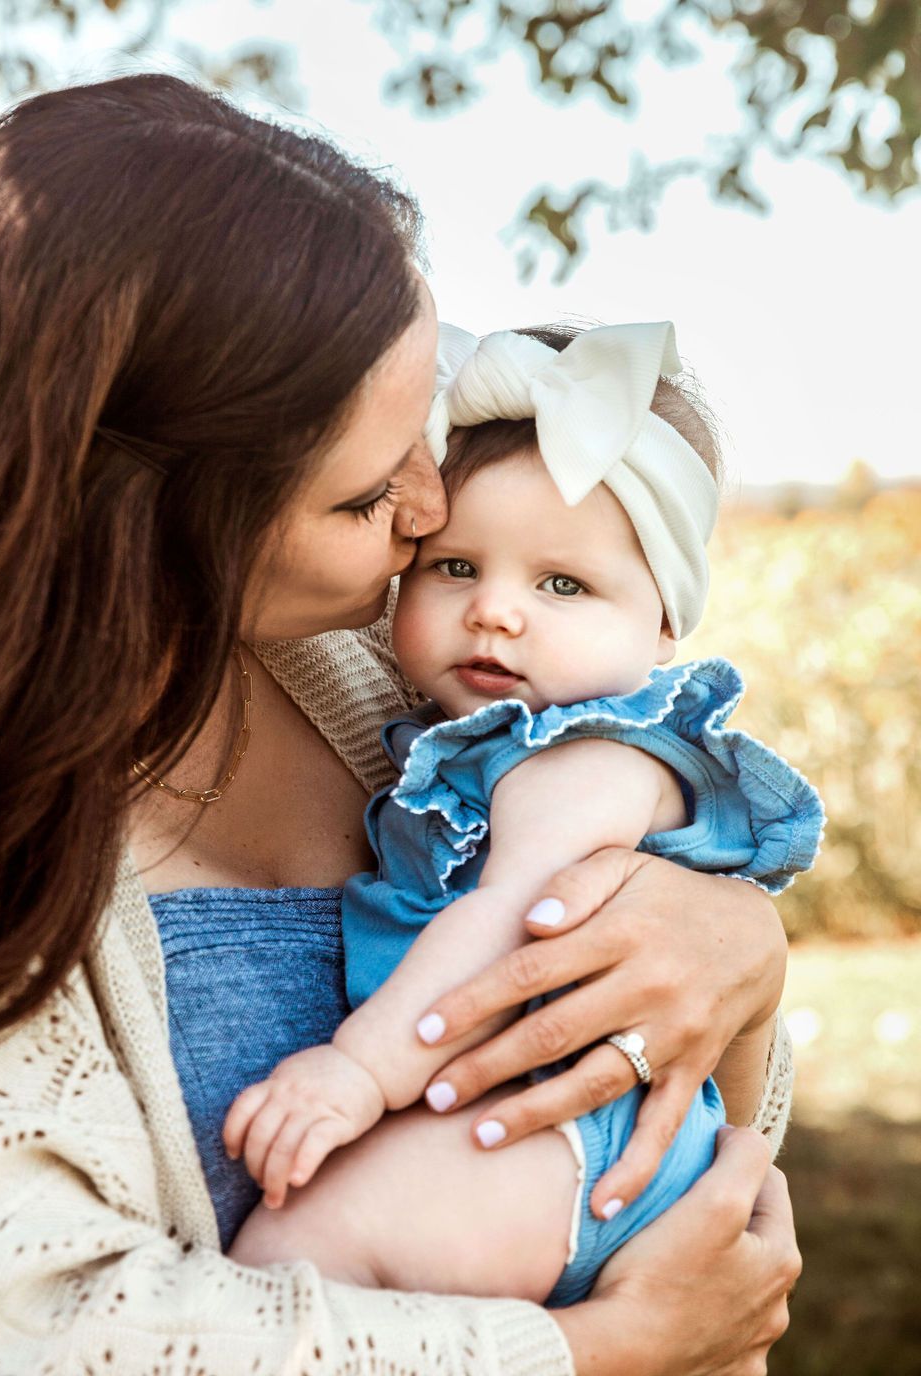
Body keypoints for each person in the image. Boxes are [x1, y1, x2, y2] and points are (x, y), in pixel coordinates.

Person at [0, 75, 800, 1375]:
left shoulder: (389, 686)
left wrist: (736, 956)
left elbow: (694, 1130)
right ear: (157, 518)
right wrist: (595, 1352)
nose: (435, 511)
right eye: (373, 492)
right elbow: (13, 1329)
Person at [223, 320, 823, 1304]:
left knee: (300, 1258)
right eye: (456, 566)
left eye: (562, 582)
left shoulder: (583, 757)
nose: (497, 610)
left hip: (567, 1145)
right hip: (525, 1134)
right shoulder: (463, 734)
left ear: (663, 620)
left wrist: (358, 1072)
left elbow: (509, 917)